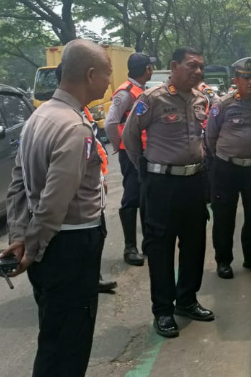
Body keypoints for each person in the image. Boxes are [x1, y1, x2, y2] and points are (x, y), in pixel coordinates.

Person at [1, 40, 113, 377]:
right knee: (69, 345)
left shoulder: (41, 116)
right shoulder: (74, 127)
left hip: (49, 244)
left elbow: (18, 184)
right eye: (107, 74)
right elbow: (54, 202)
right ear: (91, 74)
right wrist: (31, 250)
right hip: (70, 246)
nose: (109, 82)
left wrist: (21, 236)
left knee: (53, 336)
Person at [122, 46, 214, 338]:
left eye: (201, 66)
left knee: (194, 243)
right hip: (161, 185)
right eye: (191, 66)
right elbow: (129, 136)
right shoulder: (152, 99)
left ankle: (186, 300)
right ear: (174, 66)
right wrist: (145, 169)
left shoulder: (201, 99)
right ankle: (162, 310)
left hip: (194, 183)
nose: (198, 72)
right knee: (160, 248)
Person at [54, 63, 118, 293]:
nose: (107, 83)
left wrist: (100, 176)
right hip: (77, 196)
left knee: (98, 231)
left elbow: (95, 146)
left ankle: (92, 276)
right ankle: (80, 281)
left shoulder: (83, 110)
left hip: (92, 184)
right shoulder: (65, 117)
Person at [206, 57, 251, 279]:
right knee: (224, 216)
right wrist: (224, 158)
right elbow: (210, 137)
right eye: (246, 77)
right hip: (226, 169)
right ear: (236, 80)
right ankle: (223, 261)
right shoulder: (222, 105)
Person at [105, 52, 156, 266]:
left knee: (145, 196)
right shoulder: (125, 92)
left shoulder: (139, 90)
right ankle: (130, 248)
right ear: (147, 69)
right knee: (132, 198)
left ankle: (148, 244)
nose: (152, 70)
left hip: (143, 151)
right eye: (151, 67)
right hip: (130, 153)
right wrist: (119, 145)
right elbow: (110, 122)